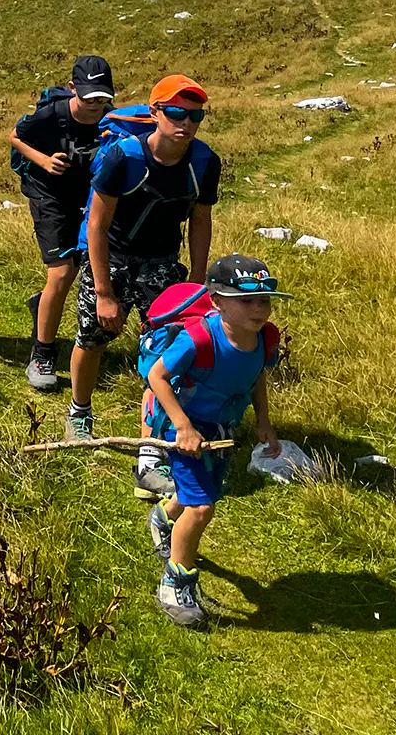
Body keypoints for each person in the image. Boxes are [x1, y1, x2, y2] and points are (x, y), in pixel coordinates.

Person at [65, 74, 222, 501]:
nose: (185, 123)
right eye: (175, 113)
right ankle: (79, 412)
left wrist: (197, 281)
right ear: (155, 113)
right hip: (112, 258)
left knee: (165, 356)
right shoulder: (122, 157)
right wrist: (103, 293)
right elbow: (96, 224)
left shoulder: (204, 163)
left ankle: (150, 456)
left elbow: (201, 219)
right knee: (93, 337)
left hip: (163, 265)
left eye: (194, 116)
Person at [143, 253, 288, 627]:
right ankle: (175, 582)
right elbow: (158, 377)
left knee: (201, 493)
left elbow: (256, 376)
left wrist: (263, 423)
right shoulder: (197, 338)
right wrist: (184, 427)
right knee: (202, 508)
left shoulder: (261, 340)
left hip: (222, 432)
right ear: (217, 302)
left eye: (264, 300)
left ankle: (161, 518)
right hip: (184, 429)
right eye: (246, 301)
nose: (258, 309)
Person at [8, 55, 115, 391]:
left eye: (102, 98)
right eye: (88, 98)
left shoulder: (110, 120)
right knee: (62, 271)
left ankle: (42, 306)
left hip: (85, 199)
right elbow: (14, 136)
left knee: (86, 267)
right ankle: (42, 355)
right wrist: (43, 160)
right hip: (47, 196)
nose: (95, 105)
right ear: (72, 89)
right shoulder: (52, 114)